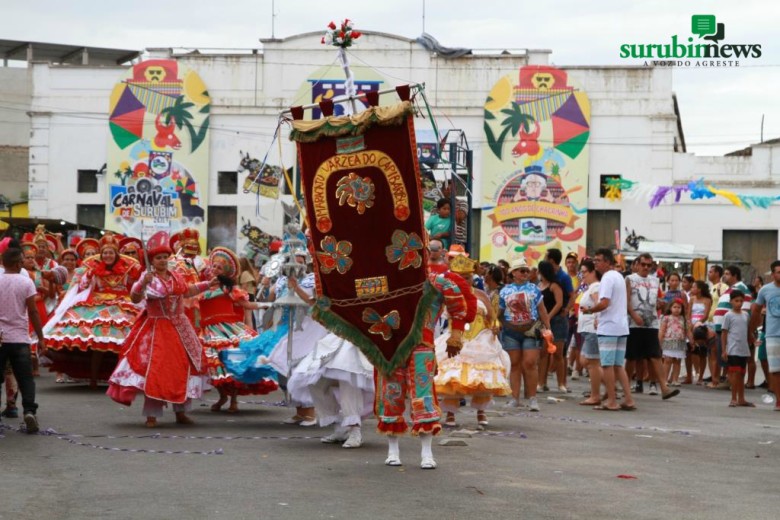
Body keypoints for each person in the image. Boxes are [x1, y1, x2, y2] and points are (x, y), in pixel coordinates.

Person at [107, 231, 218, 427]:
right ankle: (152, 414)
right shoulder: (148, 278)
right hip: (156, 328)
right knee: (157, 370)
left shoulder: (175, 275)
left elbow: (188, 291)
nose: (163, 261)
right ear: (152, 260)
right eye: (158, 258)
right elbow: (134, 298)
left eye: (165, 257)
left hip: (180, 327)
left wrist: (208, 284)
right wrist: (143, 282)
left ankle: (181, 412)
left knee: (183, 367)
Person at [44, 233, 143, 386]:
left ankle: (123, 377)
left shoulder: (128, 268)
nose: (108, 255)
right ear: (101, 254)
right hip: (98, 305)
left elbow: (135, 287)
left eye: (111, 252)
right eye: (105, 253)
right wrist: (88, 275)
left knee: (125, 343)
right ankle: (94, 377)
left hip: (123, 304)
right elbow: (82, 287)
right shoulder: (92, 267)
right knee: (98, 344)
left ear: (116, 254)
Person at [434, 254, 511, 428]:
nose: (463, 280)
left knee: (482, 377)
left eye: (467, 277)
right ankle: (451, 414)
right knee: (453, 376)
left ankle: (481, 412)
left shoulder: (481, 295)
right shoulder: (446, 296)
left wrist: (495, 326)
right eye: (459, 277)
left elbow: (492, 318)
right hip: (456, 337)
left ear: (472, 277)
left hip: (480, 339)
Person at [200, 247, 278, 413]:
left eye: (219, 268)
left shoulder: (230, 289)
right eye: (213, 266)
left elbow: (248, 305)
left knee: (232, 363)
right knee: (214, 366)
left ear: (226, 273)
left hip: (228, 329)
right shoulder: (202, 287)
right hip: (208, 330)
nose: (214, 269)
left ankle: (233, 399)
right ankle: (222, 396)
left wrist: (271, 305)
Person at [288, 332, 374, 448]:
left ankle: (355, 431)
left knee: (348, 379)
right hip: (334, 341)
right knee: (315, 381)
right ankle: (340, 429)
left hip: (357, 341)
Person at [582, 248, 636, 411]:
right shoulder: (619, 276)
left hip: (609, 326)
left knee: (607, 365)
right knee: (618, 365)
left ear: (606, 261)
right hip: (620, 325)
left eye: (598, 260)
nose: (595, 263)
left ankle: (612, 400)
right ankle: (628, 399)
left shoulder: (606, 278)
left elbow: (605, 302)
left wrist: (590, 310)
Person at [0, 247, 47, 433]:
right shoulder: (26, 282)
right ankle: (29, 411)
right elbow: (33, 311)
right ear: (19, 263)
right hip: (19, 337)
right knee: (25, 377)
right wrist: (41, 337)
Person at [624, 253, 680, 400]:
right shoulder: (630, 279)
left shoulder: (655, 281)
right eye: (643, 264)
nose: (646, 268)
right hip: (634, 324)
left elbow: (656, 299)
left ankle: (664, 387)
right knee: (631, 357)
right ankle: (625, 387)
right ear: (637, 264)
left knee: (655, 356)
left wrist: (660, 303)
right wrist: (634, 315)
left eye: (649, 265)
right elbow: (627, 300)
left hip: (651, 323)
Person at [499, 257, 551, 412]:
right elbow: (500, 312)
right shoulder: (505, 291)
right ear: (513, 273)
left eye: (527, 270)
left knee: (530, 363)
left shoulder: (534, 289)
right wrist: (494, 324)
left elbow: (542, 310)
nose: (525, 273)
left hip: (531, 329)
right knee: (514, 365)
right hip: (510, 331)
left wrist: (548, 329)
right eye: (521, 270)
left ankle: (533, 398)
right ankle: (515, 398)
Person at [750, 260, 780, 410]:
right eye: (779, 272)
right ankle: (779, 399)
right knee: (774, 369)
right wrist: (752, 329)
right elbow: (755, 310)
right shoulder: (765, 290)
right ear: (773, 274)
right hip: (772, 333)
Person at [537, 260, 568, 393]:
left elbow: (559, 303)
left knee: (558, 353)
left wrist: (548, 316)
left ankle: (561, 383)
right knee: (543, 353)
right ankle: (541, 382)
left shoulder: (554, 285)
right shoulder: (538, 286)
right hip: (543, 323)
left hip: (557, 321)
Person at [577, 258, 603, 406]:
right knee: (585, 360)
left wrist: (596, 318)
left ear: (593, 272)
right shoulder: (590, 287)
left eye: (584, 272)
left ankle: (595, 395)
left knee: (592, 362)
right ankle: (609, 386)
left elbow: (599, 303)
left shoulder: (595, 287)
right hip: (586, 329)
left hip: (592, 329)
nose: (583, 275)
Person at [721, 290, 754, 407]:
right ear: (731, 301)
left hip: (743, 349)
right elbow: (724, 333)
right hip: (733, 348)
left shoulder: (746, 315)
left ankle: (742, 398)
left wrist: (753, 341)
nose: (739, 303)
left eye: (741, 301)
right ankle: (733, 398)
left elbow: (748, 331)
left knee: (741, 374)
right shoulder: (728, 315)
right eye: (736, 301)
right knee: (734, 373)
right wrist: (724, 350)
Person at [660, 299, 692, 386]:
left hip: (680, 342)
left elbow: (688, 331)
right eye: (674, 307)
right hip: (668, 341)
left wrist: (692, 341)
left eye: (679, 307)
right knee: (667, 360)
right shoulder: (666, 318)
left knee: (677, 361)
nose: (677, 309)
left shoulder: (684, 319)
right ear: (670, 308)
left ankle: (675, 379)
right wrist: (659, 341)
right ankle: (665, 379)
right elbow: (662, 330)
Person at [689, 280, 713, 385]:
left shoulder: (707, 300)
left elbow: (706, 315)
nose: (692, 289)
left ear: (699, 289)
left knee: (702, 351)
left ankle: (701, 376)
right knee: (693, 350)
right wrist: (689, 323)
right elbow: (688, 313)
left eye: (694, 287)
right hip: (691, 323)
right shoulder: (692, 299)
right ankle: (696, 371)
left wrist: (698, 323)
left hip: (702, 324)